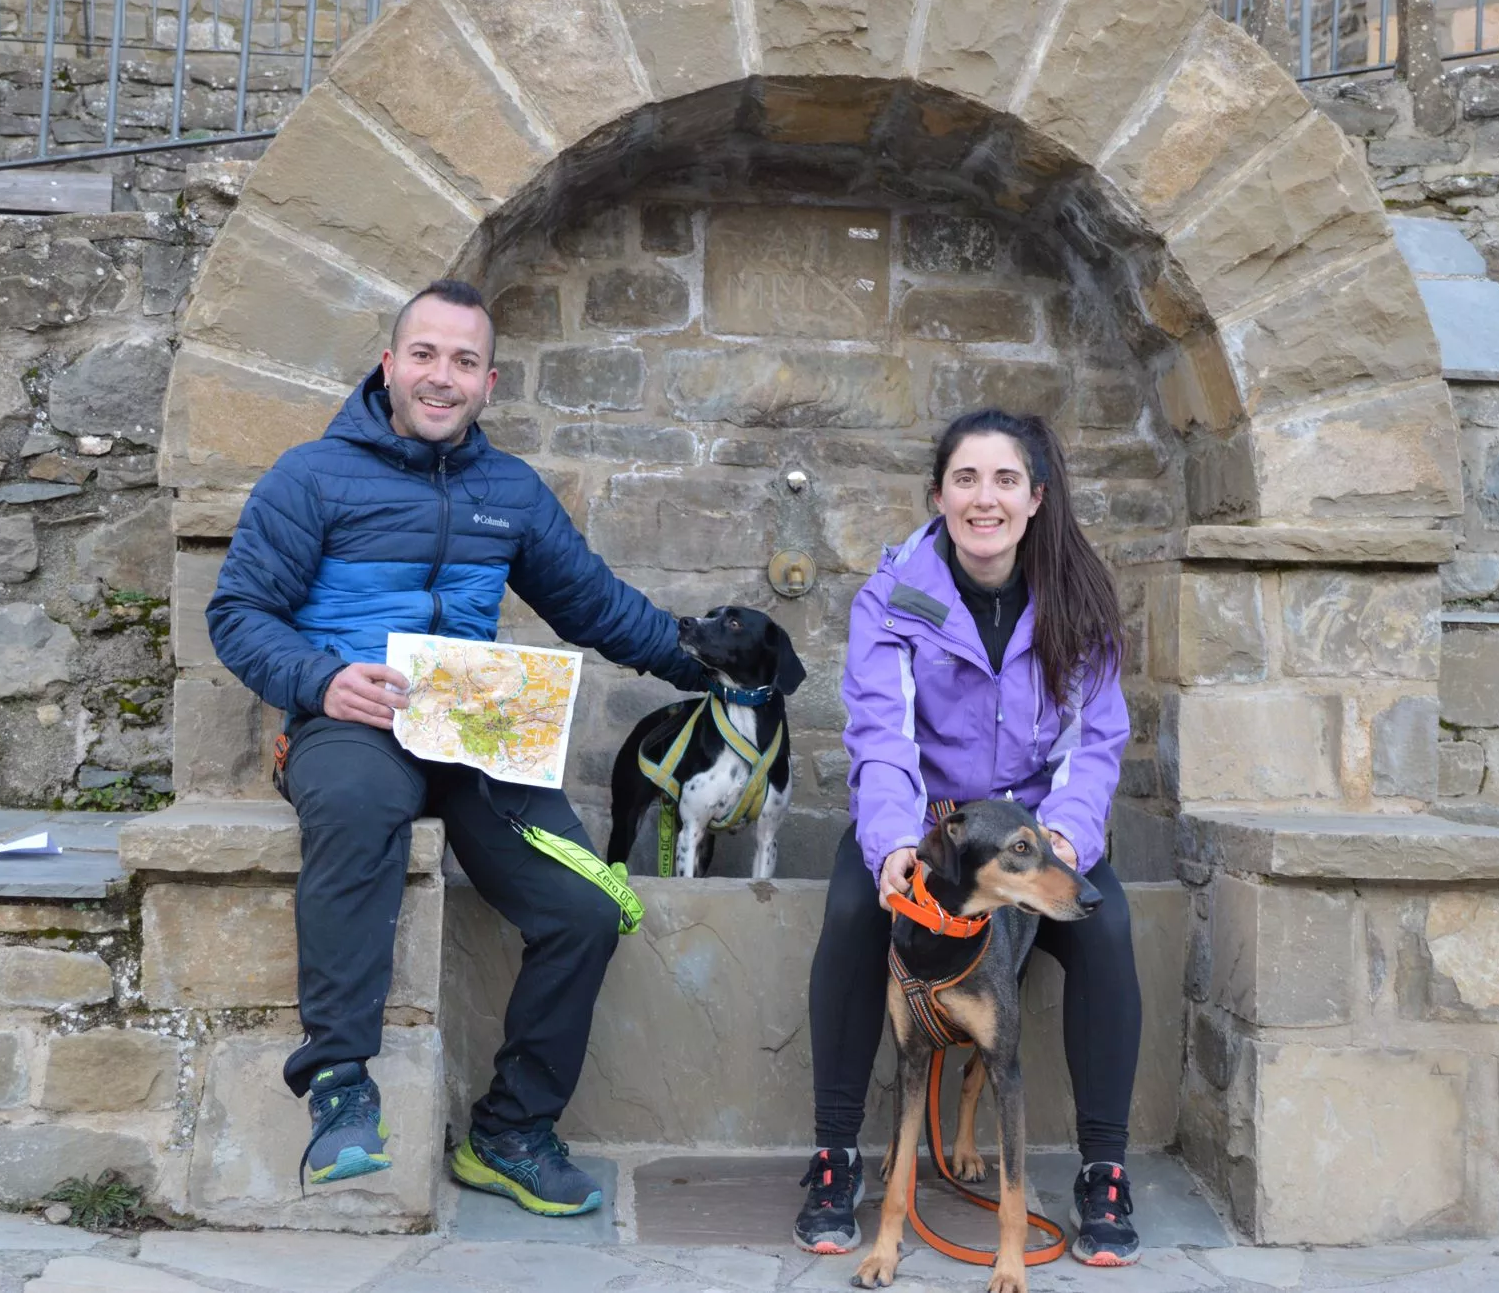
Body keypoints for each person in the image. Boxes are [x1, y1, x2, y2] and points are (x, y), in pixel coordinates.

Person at [206, 279, 704, 1216]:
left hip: (472, 731)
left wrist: (706, 663)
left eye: (464, 362)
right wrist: (320, 681)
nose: (443, 377)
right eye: (426, 355)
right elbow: (238, 615)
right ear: (390, 364)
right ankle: (342, 1084)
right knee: (357, 809)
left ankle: (511, 1132)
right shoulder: (309, 477)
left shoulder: (508, 491)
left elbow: (596, 606)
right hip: (349, 722)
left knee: (583, 908)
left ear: (489, 381)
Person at [794, 408, 1144, 1267]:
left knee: (1107, 933)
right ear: (939, 493)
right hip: (925, 827)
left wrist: (1058, 844)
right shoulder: (894, 596)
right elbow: (882, 736)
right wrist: (891, 851)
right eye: (965, 479)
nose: (983, 498)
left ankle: (1104, 1167)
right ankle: (836, 1155)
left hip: (1034, 832)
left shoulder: (1080, 606)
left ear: (1035, 499)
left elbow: (1095, 746)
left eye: (1004, 480)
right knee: (849, 916)